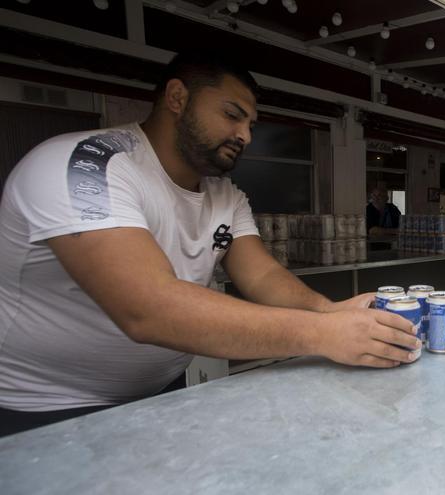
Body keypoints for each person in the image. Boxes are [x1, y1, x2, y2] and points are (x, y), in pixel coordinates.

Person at [0, 54, 419, 436]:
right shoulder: (85, 166)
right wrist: (321, 333)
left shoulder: (224, 194)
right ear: (177, 98)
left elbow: (263, 275)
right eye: (232, 115)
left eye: (251, 125)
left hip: (163, 394)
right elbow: (146, 309)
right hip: (46, 408)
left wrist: (330, 311)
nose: (245, 135)